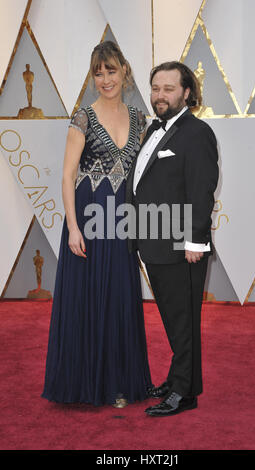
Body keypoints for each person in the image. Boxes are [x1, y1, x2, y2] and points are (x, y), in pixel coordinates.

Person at [42, 41, 152, 408]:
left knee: (120, 296)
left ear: (125, 71)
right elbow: (67, 176)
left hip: (121, 220)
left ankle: (119, 381)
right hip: (88, 220)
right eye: (98, 72)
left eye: (111, 70)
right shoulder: (82, 118)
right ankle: (84, 384)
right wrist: (73, 227)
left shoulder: (140, 119)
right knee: (87, 298)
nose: (105, 79)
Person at [126, 61, 219, 417]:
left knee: (183, 321)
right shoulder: (155, 130)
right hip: (155, 241)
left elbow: (201, 188)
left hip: (182, 246)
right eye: (155, 88)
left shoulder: (196, 133)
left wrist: (195, 241)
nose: (159, 95)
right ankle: (178, 377)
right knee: (172, 318)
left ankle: (185, 392)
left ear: (186, 92)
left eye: (168, 88)